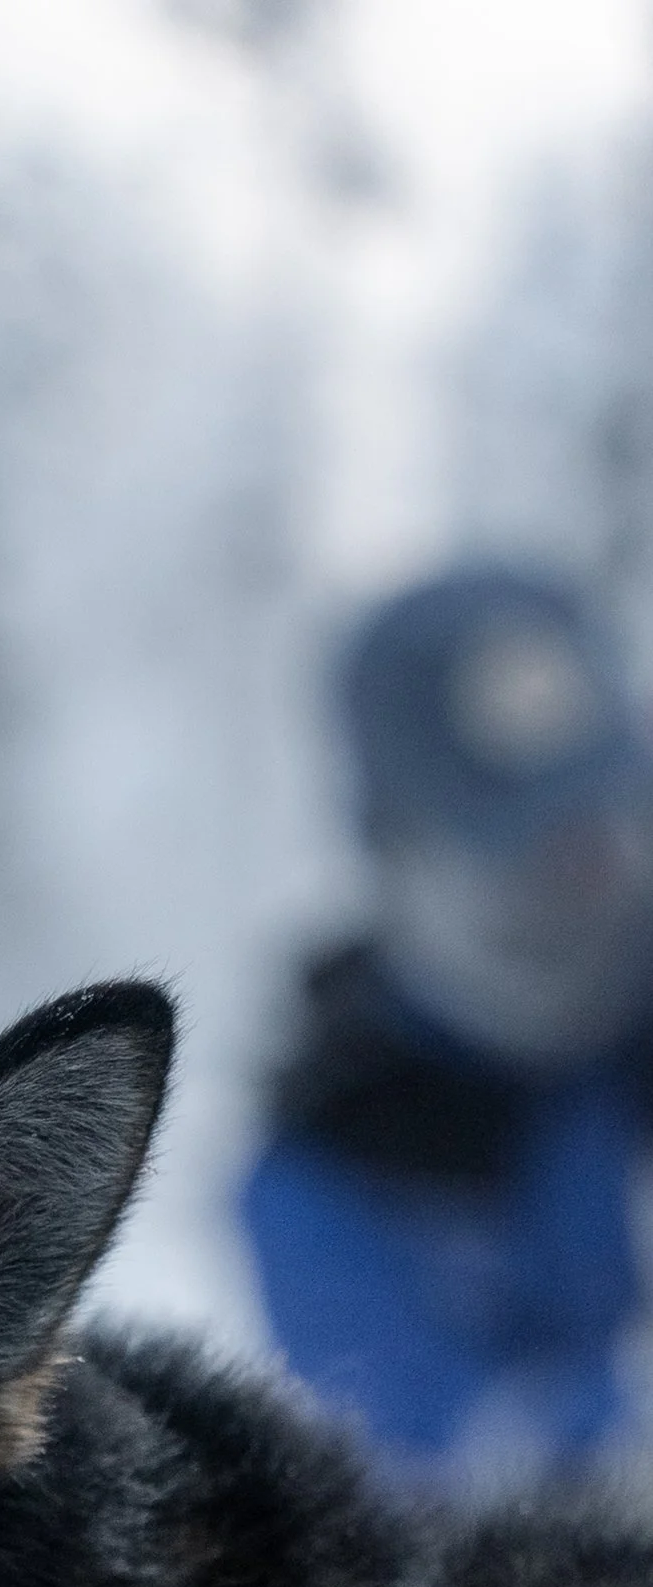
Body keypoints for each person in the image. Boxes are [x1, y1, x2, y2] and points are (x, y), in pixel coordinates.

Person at [242, 565, 653, 1496]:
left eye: (608, 843)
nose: (587, 902)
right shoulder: (337, 1170)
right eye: (527, 868)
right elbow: (463, 1476)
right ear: (398, 861)